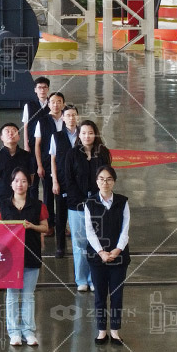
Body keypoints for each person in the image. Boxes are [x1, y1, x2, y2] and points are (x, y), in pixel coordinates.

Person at [0, 168, 49, 347]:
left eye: (24, 181)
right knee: (12, 295)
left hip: (30, 253)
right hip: (9, 257)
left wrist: (32, 226)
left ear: (29, 184)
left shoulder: (38, 205)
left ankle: (28, 330)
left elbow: (45, 227)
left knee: (28, 295)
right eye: (17, 181)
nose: (20, 184)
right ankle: (14, 331)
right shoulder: (2, 205)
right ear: (11, 184)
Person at [61, 120, 113, 293]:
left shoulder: (103, 152)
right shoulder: (72, 154)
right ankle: (81, 279)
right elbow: (69, 181)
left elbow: (107, 177)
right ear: (78, 135)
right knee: (80, 243)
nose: (87, 136)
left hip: (99, 204)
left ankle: (94, 278)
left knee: (97, 242)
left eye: (90, 133)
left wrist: (99, 200)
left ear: (95, 134)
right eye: (83, 133)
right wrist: (82, 201)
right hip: (77, 205)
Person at [85, 166, 130, 347]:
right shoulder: (89, 203)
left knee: (117, 295)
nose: (105, 182)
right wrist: (101, 252)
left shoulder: (123, 202)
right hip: (97, 258)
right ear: (97, 182)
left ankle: (115, 332)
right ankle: (102, 331)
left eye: (109, 179)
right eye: (102, 179)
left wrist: (117, 250)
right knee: (100, 296)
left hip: (119, 257)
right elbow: (89, 232)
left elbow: (125, 229)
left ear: (114, 182)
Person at [49, 104, 81, 257]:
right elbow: (53, 159)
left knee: (80, 214)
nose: (71, 118)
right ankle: (60, 247)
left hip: (79, 182)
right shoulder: (56, 136)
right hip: (62, 181)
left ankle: (80, 246)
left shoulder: (83, 134)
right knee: (61, 216)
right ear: (63, 118)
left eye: (74, 115)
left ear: (77, 117)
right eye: (68, 115)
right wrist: (55, 181)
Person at [33, 91, 66, 236]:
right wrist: (39, 165)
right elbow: (37, 145)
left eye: (59, 101)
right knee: (48, 195)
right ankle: (49, 225)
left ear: (63, 104)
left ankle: (62, 226)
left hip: (65, 164)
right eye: (53, 101)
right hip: (47, 163)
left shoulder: (67, 119)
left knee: (63, 196)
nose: (56, 104)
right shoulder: (42, 121)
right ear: (48, 104)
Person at [0, 123, 36, 205]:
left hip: (22, 200)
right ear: (1, 137)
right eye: (7, 131)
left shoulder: (27, 156)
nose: (11, 133)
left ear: (18, 137)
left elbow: (31, 178)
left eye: (14, 131)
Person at [20, 77, 51, 156]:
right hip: (33, 142)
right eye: (39, 87)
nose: (42, 90)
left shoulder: (52, 105)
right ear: (35, 90)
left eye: (45, 87)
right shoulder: (29, 106)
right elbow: (26, 126)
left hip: (50, 141)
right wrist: (26, 145)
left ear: (48, 89)